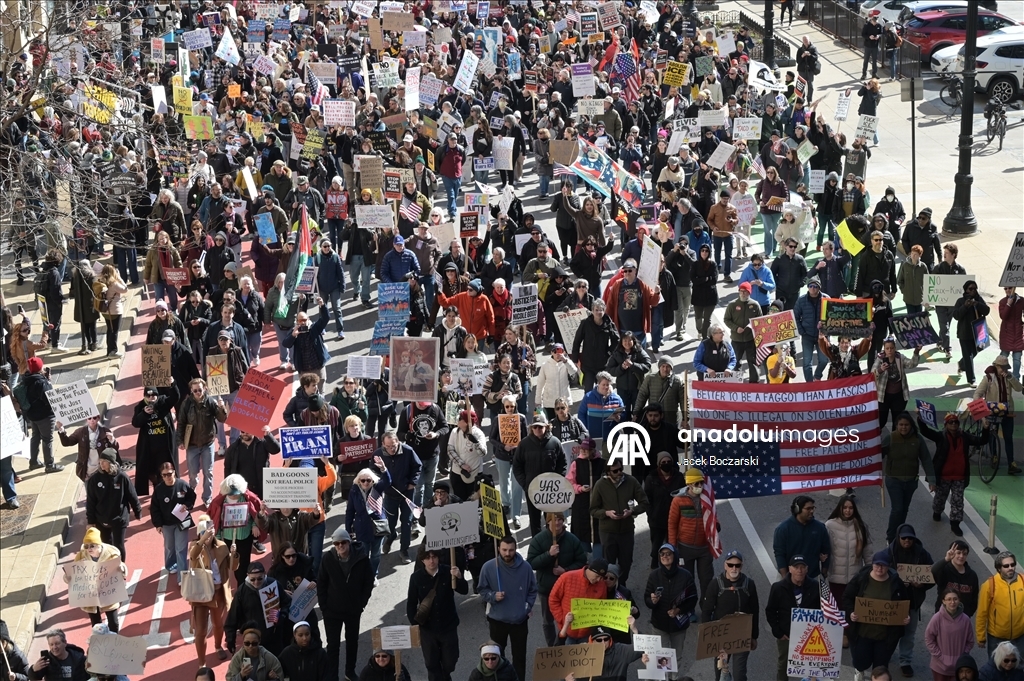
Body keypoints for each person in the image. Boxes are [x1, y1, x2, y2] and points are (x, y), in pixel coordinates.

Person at [843, 551, 912, 680]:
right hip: (862, 633)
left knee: (881, 665)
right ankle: (859, 670)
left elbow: (904, 602)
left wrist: (905, 616)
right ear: (872, 564)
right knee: (861, 661)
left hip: (885, 635)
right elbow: (847, 597)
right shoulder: (861, 579)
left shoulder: (896, 582)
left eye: (883, 565)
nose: (880, 568)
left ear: (888, 566)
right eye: (877, 565)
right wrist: (851, 612)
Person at [318, 527, 375, 681]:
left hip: (353, 610)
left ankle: (350, 671)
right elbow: (321, 583)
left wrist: (362, 603)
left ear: (349, 542)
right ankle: (333, 676)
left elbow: (368, 581)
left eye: (343, 542)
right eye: (337, 543)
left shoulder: (362, 557)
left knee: (352, 642)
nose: (340, 546)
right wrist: (324, 607)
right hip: (332, 611)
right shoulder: (328, 558)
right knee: (333, 646)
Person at [919, 412, 990, 537]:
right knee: (940, 499)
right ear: (946, 425)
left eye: (956, 422)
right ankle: (937, 511)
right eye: (950, 422)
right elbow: (926, 432)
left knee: (958, 501)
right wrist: (920, 419)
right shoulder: (941, 436)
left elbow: (982, 440)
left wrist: (985, 428)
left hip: (959, 477)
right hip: (943, 476)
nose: (953, 424)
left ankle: (955, 523)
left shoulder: (965, 437)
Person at [478, 536, 538, 681]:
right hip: (497, 621)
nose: (507, 553)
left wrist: (527, 607)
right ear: (498, 548)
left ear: (515, 549)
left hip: (519, 621)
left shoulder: (526, 568)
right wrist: (493, 596)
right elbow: (482, 590)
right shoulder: (488, 567)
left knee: (519, 657)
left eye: (511, 550)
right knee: (497, 656)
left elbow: (532, 590)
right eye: (504, 550)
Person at [527, 512, 588, 647]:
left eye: (560, 519)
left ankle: (566, 645)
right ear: (547, 521)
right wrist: (548, 555)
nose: (557, 523)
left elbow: (582, 562)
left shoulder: (572, 540)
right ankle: (552, 648)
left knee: (568, 619)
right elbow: (531, 563)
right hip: (547, 588)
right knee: (548, 621)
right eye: (554, 519)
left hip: (568, 589)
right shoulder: (539, 540)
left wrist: (565, 571)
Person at [407, 548, 468, 681]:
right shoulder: (416, 578)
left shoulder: (448, 571)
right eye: (428, 558)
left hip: (448, 626)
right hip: (428, 629)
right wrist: (416, 625)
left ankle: (445, 675)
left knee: (450, 661)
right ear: (422, 560)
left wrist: (459, 577)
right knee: (431, 663)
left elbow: (464, 590)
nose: (431, 561)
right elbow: (411, 603)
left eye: (434, 557)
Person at [885, 524, 936, 677]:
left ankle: (905, 661)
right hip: (893, 601)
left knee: (909, 634)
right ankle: (885, 656)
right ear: (898, 537)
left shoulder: (923, 554)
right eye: (904, 538)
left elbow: (932, 576)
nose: (907, 541)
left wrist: (922, 585)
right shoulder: (888, 553)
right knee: (890, 631)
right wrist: (897, 582)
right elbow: (879, 574)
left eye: (910, 538)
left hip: (913, 602)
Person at [702, 550, 759, 681]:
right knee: (720, 673)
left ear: (741, 566)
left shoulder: (749, 584)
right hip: (721, 637)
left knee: (739, 675)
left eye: (737, 565)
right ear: (725, 565)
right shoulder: (715, 584)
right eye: (730, 565)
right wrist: (707, 637)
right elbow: (707, 611)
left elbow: (755, 611)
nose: (734, 568)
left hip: (742, 635)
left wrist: (754, 636)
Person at [590, 458, 650, 583]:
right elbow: (593, 509)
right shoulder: (600, 484)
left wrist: (632, 511)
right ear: (608, 472)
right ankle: (609, 588)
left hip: (626, 530)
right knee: (608, 564)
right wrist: (606, 513)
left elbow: (644, 503)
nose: (619, 473)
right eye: (615, 471)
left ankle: (621, 586)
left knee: (626, 562)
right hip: (608, 531)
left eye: (620, 469)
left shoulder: (631, 481)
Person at [644, 543, 698, 680]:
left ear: (675, 556)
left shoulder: (686, 576)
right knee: (661, 658)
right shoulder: (654, 576)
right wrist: (653, 601)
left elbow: (693, 598)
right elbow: (647, 599)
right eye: (662, 554)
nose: (665, 556)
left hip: (678, 626)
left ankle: (674, 679)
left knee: (676, 657)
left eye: (668, 554)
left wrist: (679, 610)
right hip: (659, 624)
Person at [881, 413, 935, 543]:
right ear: (896, 425)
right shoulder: (890, 438)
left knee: (904, 510)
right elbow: (878, 455)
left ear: (911, 425)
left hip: (911, 482)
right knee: (897, 509)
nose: (903, 427)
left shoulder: (917, 439)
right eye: (901, 425)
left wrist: (932, 480)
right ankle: (891, 537)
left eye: (906, 425)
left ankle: (900, 533)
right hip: (893, 480)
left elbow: (926, 459)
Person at [61, 527, 126, 633]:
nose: (89, 549)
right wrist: (68, 577)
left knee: (113, 622)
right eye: (86, 546)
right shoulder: (81, 555)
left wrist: (122, 569)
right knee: (96, 624)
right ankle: (100, 641)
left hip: (108, 592)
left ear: (99, 545)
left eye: (92, 546)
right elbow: (73, 574)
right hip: (90, 595)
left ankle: (114, 639)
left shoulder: (111, 554)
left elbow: (121, 570)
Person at [177, 378, 228, 506]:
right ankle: (193, 486)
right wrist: (180, 441)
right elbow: (181, 423)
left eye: (200, 390)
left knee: (208, 472)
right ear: (191, 390)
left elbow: (222, 419)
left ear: (204, 388)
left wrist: (221, 407)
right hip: (192, 445)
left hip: (208, 443)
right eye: (195, 391)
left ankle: (207, 498)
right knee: (193, 473)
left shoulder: (211, 402)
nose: (198, 393)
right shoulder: (186, 404)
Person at [188, 515, 231, 667]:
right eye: (203, 533)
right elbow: (193, 556)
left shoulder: (221, 546)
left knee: (218, 624)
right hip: (201, 595)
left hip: (218, 592)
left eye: (209, 533)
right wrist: (202, 540)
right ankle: (202, 663)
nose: (207, 536)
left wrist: (234, 555)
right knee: (200, 630)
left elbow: (232, 567)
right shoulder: (195, 546)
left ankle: (218, 646)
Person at [667, 468, 716, 602]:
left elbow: (713, 515)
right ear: (689, 484)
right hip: (685, 548)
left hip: (705, 548)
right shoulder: (678, 500)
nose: (700, 486)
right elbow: (672, 524)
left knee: (707, 580)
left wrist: (716, 525)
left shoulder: (707, 497)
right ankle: (689, 607)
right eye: (696, 483)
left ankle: (706, 607)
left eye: (701, 483)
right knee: (686, 581)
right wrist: (672, 547)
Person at [85, 448, 141, 562]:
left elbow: (132, 495)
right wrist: (90, 521)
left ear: (111, 462)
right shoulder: (94, 480)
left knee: (118, 545)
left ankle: (121, 566)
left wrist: (137, 511)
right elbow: (90, 502)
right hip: (101, 519)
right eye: (100, 461)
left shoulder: (122, 477)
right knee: (106, 546)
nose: (101, 464)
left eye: (104, 461)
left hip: (119, 518)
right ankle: (110, 568)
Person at [513, 414, 565, 536]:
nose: (537, 429)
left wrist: (557, 482)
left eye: (540, 427)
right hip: (532, 489)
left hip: (550, 490)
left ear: (546, 427)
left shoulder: (555, 442)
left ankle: (551, 542)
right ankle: (537, 543)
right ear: (531, 428)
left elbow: (562, 463)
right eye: (535, 427)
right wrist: (525, 484)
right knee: (534, 520)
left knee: (551, 520)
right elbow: (517, 466)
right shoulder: (524, 444)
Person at [378, 430, 422, 564]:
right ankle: (391, 537)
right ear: (383, 444)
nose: (391, 449)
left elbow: (418, 466)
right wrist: (382, 483)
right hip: (390, 494)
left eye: (393, 445)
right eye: (388, 446)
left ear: (397, 442)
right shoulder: (378, 454)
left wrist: (413, 482)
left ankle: (404, 550)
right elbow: (373, 471)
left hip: (406, 493)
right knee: (390, 522)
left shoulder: (408, 451)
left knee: (406, 522)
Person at [974, 355, 1022, 475]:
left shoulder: (1009, 377)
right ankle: (994, 456)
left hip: (1007, 412)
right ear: (996, 366)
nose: (1003, 370)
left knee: (1008, 438)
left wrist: (1011, 378)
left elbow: (1019, 388)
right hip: (992, 412)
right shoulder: (989, 378)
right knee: (992, 436)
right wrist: (982, 413)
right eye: (1001, 367)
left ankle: (1011, 463)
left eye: (1005, 367)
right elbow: (977, 394)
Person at [150, 461, 196, 583]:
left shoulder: (182, 485)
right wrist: (158, 525)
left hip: (182, 522)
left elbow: (192, 497)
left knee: (181, 548)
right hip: (167, 524)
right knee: (170, 547)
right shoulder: (159, 490)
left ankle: (182, 577)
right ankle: (170, 564)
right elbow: (154, 509)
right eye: (164, 475)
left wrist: (187, 505)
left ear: (174, 472)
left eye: (169, 474)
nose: (167, 477)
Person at [345, 457, 391, 578]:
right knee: (363, 554)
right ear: (358, 481)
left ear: (372, 480)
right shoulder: (354, 491)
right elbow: (350, 511)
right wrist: (348, 529)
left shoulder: (377, 488)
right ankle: (365, 575)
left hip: (378, 526)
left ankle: (373, 574)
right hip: (362, 527)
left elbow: (387, 481)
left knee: (375, 554)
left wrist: (383, 469)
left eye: (368, 480)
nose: (365, 483)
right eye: (363, 480)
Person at [549, 559, 612, 644]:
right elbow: (553, 599)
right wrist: (562, 619)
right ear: (590, 569)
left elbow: (601, 608)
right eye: (597, 576)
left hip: (587, 634)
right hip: (567, 631)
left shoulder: (602, 585)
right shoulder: (567, 577)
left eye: (601, 577)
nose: (598, 580)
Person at [773, 495, 831, 579]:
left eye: (813, 508)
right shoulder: (783, 529)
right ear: (797, 509)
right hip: (789, 577)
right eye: (808, 509)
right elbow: (779, 554)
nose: (812, 511)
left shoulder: (820, 528)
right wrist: (785, 578)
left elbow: (826, 550)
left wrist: (824, 572)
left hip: (813, 576)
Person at [977, 551, 1024, 656]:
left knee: (1020, 665)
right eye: (1006, 566)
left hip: (1020, 637)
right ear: (999, 568)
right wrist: (981, 637)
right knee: (996, 665)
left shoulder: (1022, 581)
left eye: (1012, 564)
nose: (1010, 568)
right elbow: (982, 613)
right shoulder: (989, 585)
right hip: (997, 639)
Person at [925, 588, 976, 681]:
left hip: (959, 667)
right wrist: (940, 656)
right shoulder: (937, 618)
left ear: (959, 600)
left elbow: (970, 641)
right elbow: (929, 638)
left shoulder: (965, 620)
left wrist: (963, 655)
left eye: (955, 599)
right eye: (949, 599)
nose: (952, 602)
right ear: (943, 601)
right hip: (939, 666)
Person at [572, 300, 620, 391]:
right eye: (596, 310)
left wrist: (609, 352)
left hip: (602, 364)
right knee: (588, 390)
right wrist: (575, 359)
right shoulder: (585, 323)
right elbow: (577, 341)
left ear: (604, 310)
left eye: (601, 310)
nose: (599, 312)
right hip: (588, 363)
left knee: (602, 390)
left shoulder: (609, 324)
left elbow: (617, 340)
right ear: (592, 311)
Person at [874, 338, 917, 429]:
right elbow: (872, 374)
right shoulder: (880, 359)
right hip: (883, 396)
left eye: (892, 348)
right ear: (884, 349)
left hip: (899, 396)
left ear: (895, 348)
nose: (889, 350)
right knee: (881, 420)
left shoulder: (900, 357)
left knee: (897, 421)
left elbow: (911, 364)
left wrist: (916, 352)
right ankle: (876, 436)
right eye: (887, 348)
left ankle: (896, 436)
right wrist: (880, 369)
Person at [998, 286, 1024, 381]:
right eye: (1005, 288)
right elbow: (1003, 316)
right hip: (1006, 334)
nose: (1008, 290)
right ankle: (1000, 377)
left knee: (1017, 360)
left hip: (1018, 334)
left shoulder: (1021, 300)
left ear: (1014, 288)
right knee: (1003, 358)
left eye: (1010, 288)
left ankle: (1016, 380)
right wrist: (1008, 304)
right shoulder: (1003, 302)